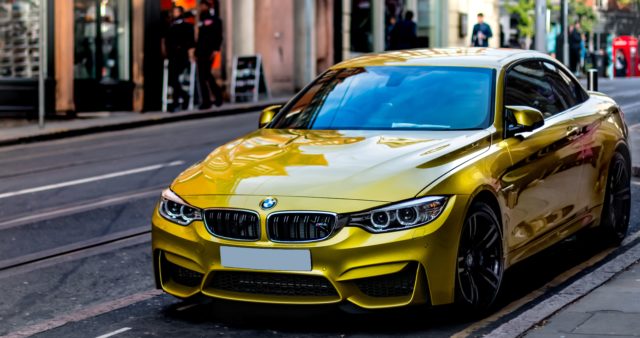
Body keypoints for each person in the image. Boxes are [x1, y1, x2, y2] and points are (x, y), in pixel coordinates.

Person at [164, 6, 195, 112]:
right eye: (174, 12)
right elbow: (166, 41)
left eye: (177, 12)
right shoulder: (170, 26)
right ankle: (183, 97)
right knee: (172, 80)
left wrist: (191, 54)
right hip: (172, 56)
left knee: (176, 78)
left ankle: (176, 102)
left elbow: (191, 42)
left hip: (182, 55)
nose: (175, 13)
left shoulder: (187, 26)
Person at [195, 0, 223, 109]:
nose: (201, 7)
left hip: (209, 51)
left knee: (206, 74)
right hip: (201, 51)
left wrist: (215, 49)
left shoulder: (215, 20)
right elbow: (200, 38)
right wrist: (196, 51)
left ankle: (216, 96)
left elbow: (218, 35)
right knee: (202, 76)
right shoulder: (201, 20)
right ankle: (207, 100)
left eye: (202, 5)